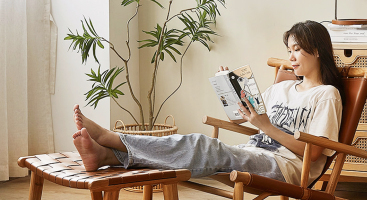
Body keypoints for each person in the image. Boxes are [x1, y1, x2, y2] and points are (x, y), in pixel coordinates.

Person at [72, 20, 343, 186]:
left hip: (285, 167)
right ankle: (106, 156)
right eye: (289, 50)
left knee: (203, 146)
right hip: (253, 152)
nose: (291, 57)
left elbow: (314, 154)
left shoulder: (326, 95)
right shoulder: (281, 88)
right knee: (203, 148)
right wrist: (231, 90)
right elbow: (242, 118)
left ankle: (112, 139)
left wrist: (266, 127)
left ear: (317, 50)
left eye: (297, 50)